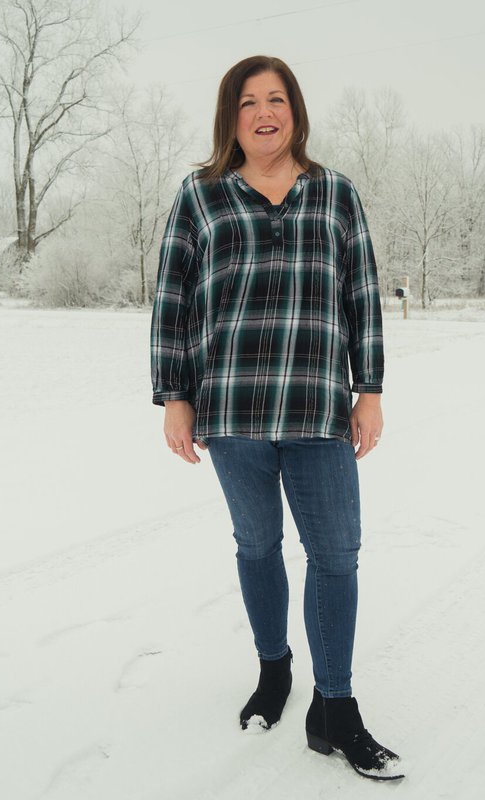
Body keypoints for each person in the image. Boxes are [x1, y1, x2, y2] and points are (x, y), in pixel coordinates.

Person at [149, 55, 403, 782]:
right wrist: (175, 395)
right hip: (231, 406)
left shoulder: (335, 193)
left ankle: (336, 707)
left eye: (277, 99)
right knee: (257, 545)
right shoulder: (201, 195)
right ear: (230, 118)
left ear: (296, 110)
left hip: (318, 405)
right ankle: (274, 669)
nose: (265, 113)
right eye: (249, 102)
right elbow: (172, 298)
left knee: (337, 554)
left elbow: (362, 294)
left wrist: (369, 389)